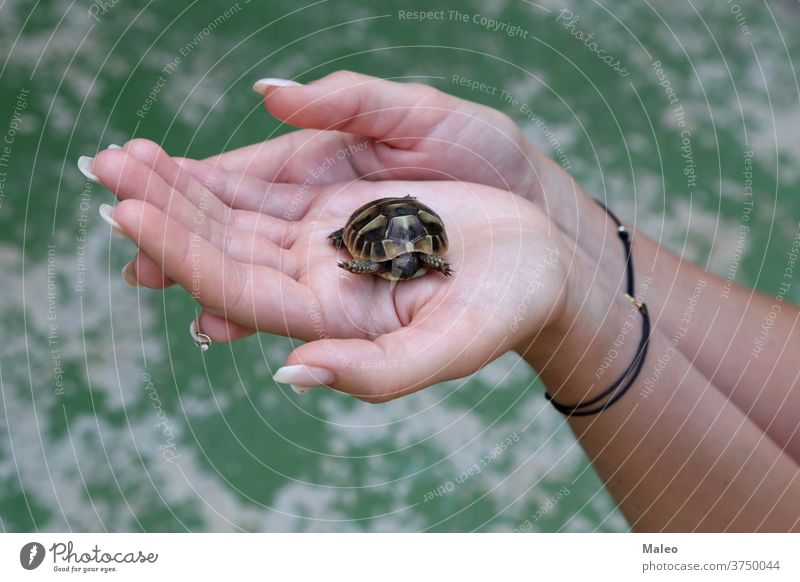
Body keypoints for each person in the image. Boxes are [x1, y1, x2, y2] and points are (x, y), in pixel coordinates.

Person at [79, 71, 800, 532]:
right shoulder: (404, 247)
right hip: (400, 227)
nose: (411, 270)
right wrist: (553, 212)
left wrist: (576, 317)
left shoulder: (411, 255)